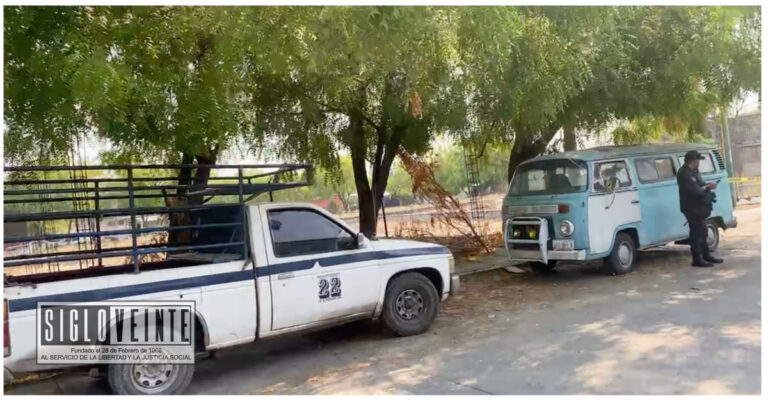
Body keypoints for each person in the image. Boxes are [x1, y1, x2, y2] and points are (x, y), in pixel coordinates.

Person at [676, 150, 723, 267]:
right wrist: (707, 187)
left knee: (703, 230)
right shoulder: (684, 173)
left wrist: (708, 185)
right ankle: (697, 259)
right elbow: (694, 191)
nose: (699, 163)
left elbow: (700, 184)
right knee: (697, 232)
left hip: (698, 207)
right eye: (698, 160)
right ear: (693, 160)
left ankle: (706, 255)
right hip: (691, 207)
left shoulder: (693, 172)